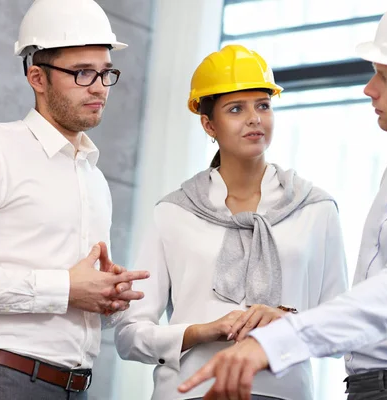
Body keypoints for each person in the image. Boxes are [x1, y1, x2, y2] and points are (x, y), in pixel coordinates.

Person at [178, 0, 387, 399]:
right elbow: (373, 306)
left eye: (384, 77)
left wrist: (272, 344)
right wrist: (294, 322)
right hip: (374, 386)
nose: (368, 88)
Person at [114, 44, 348, 400]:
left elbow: (343, 329)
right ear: (209, 124)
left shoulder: (316, 209)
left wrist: (289, 321)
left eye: (264, 105)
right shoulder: (173, 213)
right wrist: (200, 331)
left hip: (283, 393)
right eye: (236, 108)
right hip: (189, 392)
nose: (254, 118)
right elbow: (129, 335)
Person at [0, 0, 150, 398]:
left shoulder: (95, 178)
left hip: (76, 387)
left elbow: (73, 298)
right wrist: (65, 289)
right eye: (82, 73)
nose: (98, 87)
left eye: (106, 73)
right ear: (37, 78)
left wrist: (103, 297)